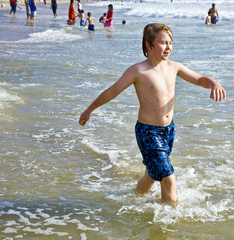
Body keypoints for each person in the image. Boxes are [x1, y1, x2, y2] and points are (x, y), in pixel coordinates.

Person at [78, 23, 226, 207]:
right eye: (163, 42)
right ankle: (169, 222)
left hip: (168, 131)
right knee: (168, 177)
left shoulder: (174, 67)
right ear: (148, 45)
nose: (169, 47)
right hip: (148, 132)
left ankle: (133, 200)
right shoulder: (138, 71)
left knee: (152, 173)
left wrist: (213, 83)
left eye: (170, 42)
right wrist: (89, 109)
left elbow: (199, 79)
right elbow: (112, 91)